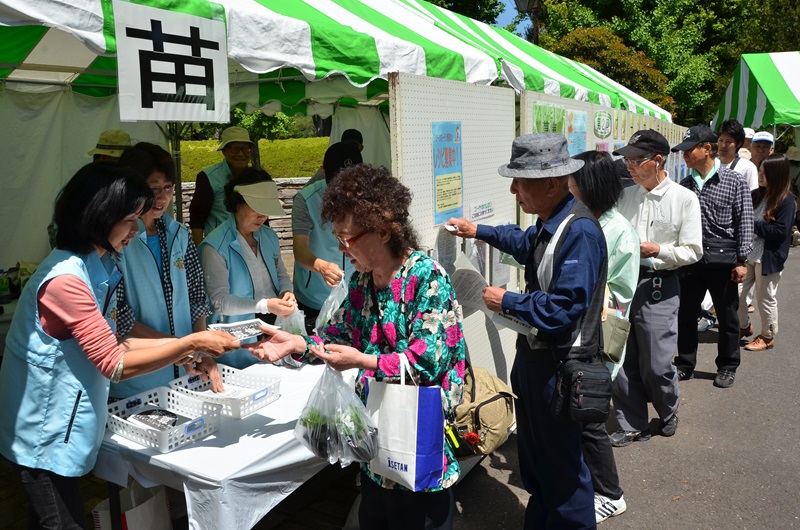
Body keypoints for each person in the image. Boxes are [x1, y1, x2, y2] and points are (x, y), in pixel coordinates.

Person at [0, 163, 238, 530]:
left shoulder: (96, 266)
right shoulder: (66, 280)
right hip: (43, 434)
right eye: (129, 220)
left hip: (64, 426)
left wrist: (187, 350)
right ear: (99, 217)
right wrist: (190, 342)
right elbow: (114, 363)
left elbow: (118, 335)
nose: (136, 230)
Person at [249, 164, 466, 530]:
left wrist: (362, 361)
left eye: (347, 238)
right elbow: (336, 335)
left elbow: (427, 361)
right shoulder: (363, 282)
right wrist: (296, 343)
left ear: (383, 230)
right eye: (337, 236)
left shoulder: (426, 277)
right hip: (375, 437)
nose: (341, 248)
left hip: (416, 435)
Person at [448, 133, 607, 528]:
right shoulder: (549, 224)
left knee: (563, 473)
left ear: (552, 184)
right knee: (538, 466)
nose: (513, 189)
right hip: (538, 362)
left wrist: (507, 301)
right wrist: (478, 231)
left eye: (520, 181)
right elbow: (522, 242)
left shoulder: (580, 232)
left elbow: (564, 309)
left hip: (561, 367)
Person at [611, 130, 702, 447]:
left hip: (661, 284)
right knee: (622, 358)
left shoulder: (684, 198)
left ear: (658, 160)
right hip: (623, 284)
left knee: (658, 363)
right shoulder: (626, 195)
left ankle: (667, 410)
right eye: (627, 160)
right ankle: (631, 422)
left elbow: (693, 250)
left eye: (636, 160)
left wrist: (657, 251)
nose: (630, 166)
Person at [112, 142, 219, 399]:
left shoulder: (179, 235)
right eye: (153, 189)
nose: (161, 198)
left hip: (183, 371)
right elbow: (120, 317)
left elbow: (196, 298)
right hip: (137, 376)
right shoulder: (117, 240)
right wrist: (181, 347)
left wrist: (199, 349)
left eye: (168, 188)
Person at [569, 150, 639, 523]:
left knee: (592, 418)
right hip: (583, 335)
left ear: (588, 186)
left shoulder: (618, 232)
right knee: (583, 417)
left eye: (573, 181)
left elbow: (619, 295)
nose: (568, 187)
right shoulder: (585, 221)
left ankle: (611, 494)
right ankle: (593, 486)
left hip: (602, 337)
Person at [674, 125, 753, 388]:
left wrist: (742, 261)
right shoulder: (684, 185)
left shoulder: (734, 181)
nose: (684, 155)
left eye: (689, 150)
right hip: (691, 261)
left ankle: (728, 366)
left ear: (707, 149)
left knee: (727, 316)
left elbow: (745, 221)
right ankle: (685, 364)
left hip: (724, 262)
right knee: (686, 314)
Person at [200, 168, 296, 369]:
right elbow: (219, 301)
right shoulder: (214, 246)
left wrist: (287, 292)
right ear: (237, 203)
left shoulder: (269, 236)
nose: (262, 216)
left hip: (273, 328)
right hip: (235, 342)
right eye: (256, 207)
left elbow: (281, 274)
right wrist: (265, 305)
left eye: (266, 208)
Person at [292, 142, 363, 332]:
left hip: (357, 294)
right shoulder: (305, 200)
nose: (344, 190)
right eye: (337, 181)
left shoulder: (367, 196)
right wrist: (320, 267)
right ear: (323, 172)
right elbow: (300, 248)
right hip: (314, 295)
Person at [738, 154, 796, 351]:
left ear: (776, 174)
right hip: (748, 254)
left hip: (768, 257)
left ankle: (767, 335)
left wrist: (752, 225)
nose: (760, 175)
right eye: (759, 170)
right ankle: (744, 326)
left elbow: (780, 232)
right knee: (737, 293)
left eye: (764, 172)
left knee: (765, 298)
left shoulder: (786, 200)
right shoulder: (757, 194)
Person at [189, 126, 255, 246]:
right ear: (224, 151)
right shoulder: (208, 177)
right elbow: (197, 218)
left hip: (250, 246)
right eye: (235, 148)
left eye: (245, 148)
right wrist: (199, 252)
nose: (241, 154)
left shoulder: (256, 177)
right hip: (219, 246)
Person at [718, 120, 759, 191]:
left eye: (728, 142)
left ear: (739, 144)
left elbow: (753, 195)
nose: (723, 145)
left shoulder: (748, 167)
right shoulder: (712, 164)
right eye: (720, 140)